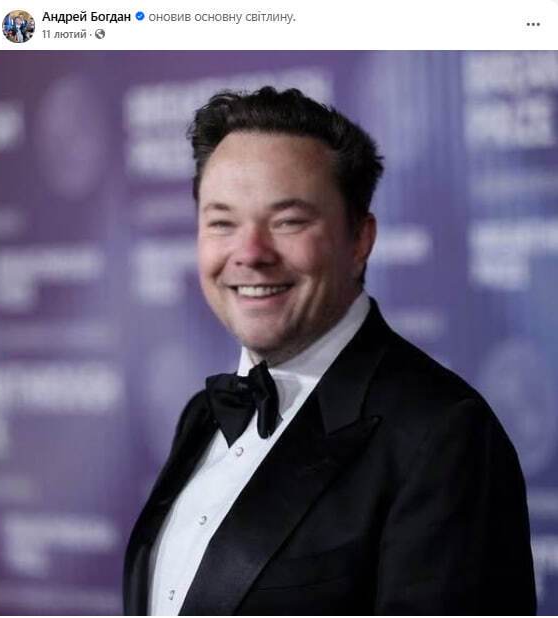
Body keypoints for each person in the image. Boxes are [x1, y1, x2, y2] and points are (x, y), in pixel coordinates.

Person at [124, 86, 536, 615]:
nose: (250, 253)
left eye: (288, 221)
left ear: (359, 240)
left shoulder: (443, 436)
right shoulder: (201, 416)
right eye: (222, 222)